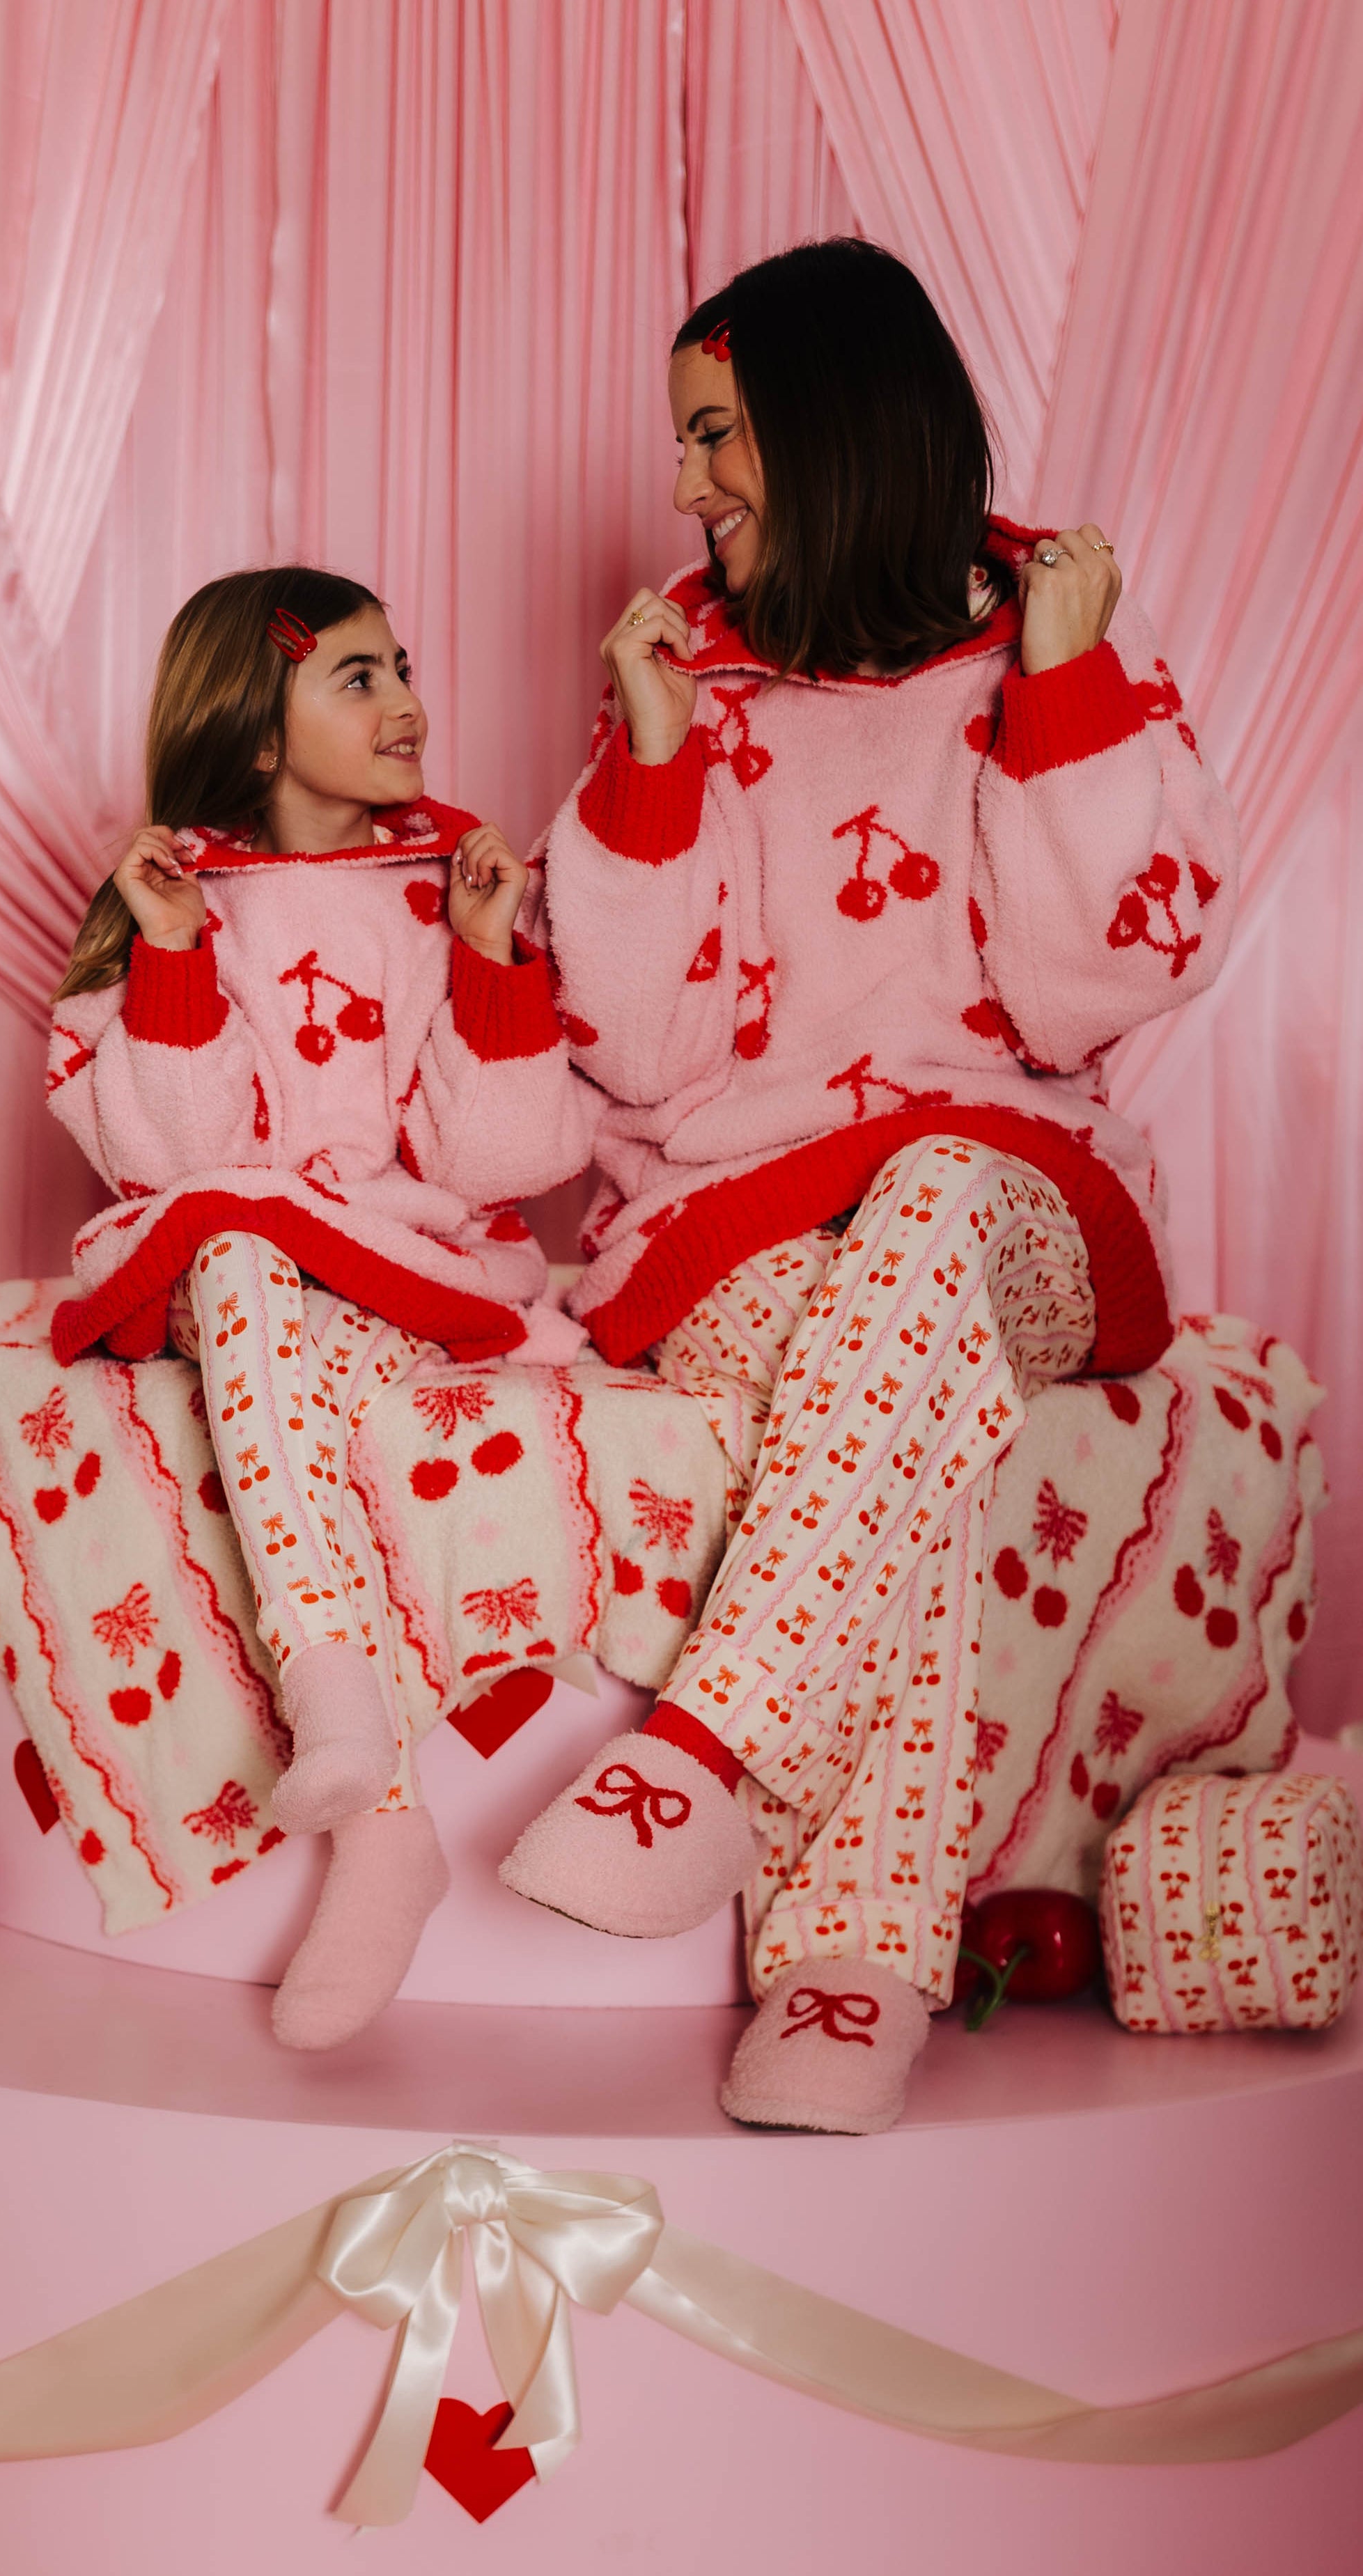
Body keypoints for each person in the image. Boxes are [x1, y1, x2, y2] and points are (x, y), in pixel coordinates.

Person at [501, 239, 1240, 2134]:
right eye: (684, 446)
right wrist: (653, 776)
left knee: (915, 1219)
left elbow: (1109, 976)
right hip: (743, 1213)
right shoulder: (683, 665)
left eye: (716, 437)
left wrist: (1065, 696)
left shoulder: (1044, 637)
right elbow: (637, 1062)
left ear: (830, 425)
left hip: (1011, 1196)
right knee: (864, 1396)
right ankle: (852, 1969)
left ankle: (720, 1747)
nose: (684, 487)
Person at [47, 566, 592, 2049]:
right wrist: (168, 952)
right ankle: (364, 1768)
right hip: (249, 1265)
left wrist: (487, 967)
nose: (407, 699)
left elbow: (508, 1160)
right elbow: (174, 1160)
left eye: (401, 663)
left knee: (247, 1260)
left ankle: (370, 1796)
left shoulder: (442, 892)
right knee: (228, 1252)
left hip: (402, 1264)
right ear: (256, 725)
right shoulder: (185, 897)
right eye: (355, 676)